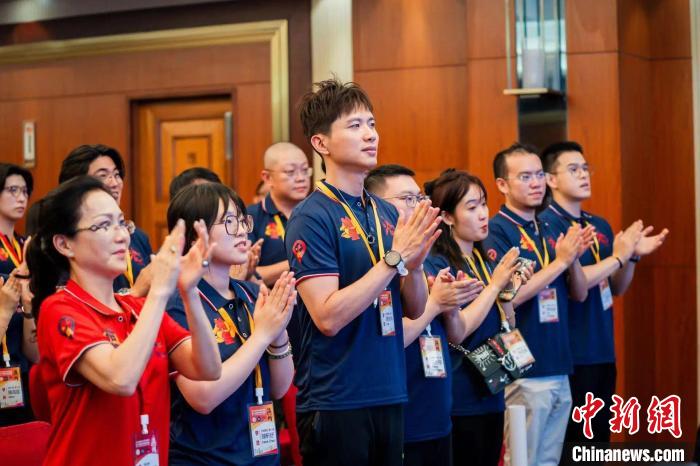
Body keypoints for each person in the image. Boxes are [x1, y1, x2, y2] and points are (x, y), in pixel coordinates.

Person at [286, 78, 441, 466]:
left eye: (371, 124)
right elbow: (327, 317)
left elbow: (414, 308)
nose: (370, 135)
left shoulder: (386, 212)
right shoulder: (311, 216)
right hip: (336, 398)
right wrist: (394, 259)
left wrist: (414, 266)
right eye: (355, 126)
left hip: (389, 390)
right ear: (321, 143)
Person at [27, 175, 222, 466]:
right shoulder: (60, 309)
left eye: (122, 223)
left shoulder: (138, 308)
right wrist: (159, 291)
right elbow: (120, 378)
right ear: (65, 244)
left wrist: (189, 291)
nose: (121, 236)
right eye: (104, 225)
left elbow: (208, 368)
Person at [538, 141, 668, 449]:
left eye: (586, 168)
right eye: (573, 169)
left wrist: (631, 256)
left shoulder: (599, 225)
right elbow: (576, 286)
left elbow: (616, 287)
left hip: (602, 349)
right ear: (551, 179)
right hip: (569, 353)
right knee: (570, 446)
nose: (584, 175)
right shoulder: (547, 225)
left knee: (596, 445)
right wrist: (619, 257)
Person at [365, 165, 487, 466]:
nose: (419, 206)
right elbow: (392, 338)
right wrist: (436, 304)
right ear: (376, 206)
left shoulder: (424, 260)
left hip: (438, 408)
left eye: (419, 197)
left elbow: (454, 334)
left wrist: (452, 303)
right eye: (407, 199)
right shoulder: (374, 265)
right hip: (405, 410)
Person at [166, 182, 295, 465]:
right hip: (205, 459)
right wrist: (262, 335)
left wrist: (279, 331)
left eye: (241, 220)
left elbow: (279, 388)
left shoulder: (250, 292)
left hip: (261, 456)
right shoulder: (179, 304)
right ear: (194, 237)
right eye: (228, 221)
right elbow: (203, 398)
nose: (241, 230)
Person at [483, 143, 592, 466]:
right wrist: (560, 262)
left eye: (539, 175)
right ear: (502, 184)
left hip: (560, 362)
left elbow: (580, 293)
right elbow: (508, 297)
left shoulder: (550, 225)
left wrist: (572, 260)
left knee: (548, 460)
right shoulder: (496, 231)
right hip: (524, 368)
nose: (536, 183)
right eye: (525, 177)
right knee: (521, 459)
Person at [424, 169, 534, 466]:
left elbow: (507, 325)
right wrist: (496, 285)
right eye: (472, 207)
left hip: (492, 387)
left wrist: (507, 293)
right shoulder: (439, 264)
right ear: (447, 217)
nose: (483, 214)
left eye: (484, 204)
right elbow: (457, 331)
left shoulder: (483, 260)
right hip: (460, 392)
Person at [59, 144, 154, 295]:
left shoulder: (137, 237)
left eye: (117, 175)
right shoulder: (72, 241)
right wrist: (135, 292)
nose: (114, 183)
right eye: (102, 176)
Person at [0, 163, 38, 426]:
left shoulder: (27, 247)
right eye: (12, 190)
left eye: (25, 191)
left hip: (20, 365)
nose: (21, 197)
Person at [248, 142, 311, 287]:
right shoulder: (251, 217)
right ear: (267, 177)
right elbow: (244, 274)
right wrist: (301, 259)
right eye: (290, 172)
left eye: (305, 170)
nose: (301, 178)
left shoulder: (319, 213)